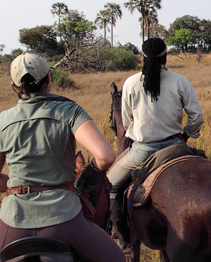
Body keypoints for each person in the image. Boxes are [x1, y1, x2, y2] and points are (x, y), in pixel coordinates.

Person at [0, 53, 125, 261]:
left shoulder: (3, 120)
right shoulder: (69, 110)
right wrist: (90, 171)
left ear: (14, 85)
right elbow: (106, 156)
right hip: (64, 218)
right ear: (48, 79)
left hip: (13, 221)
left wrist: (16, 184)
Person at [107, 38, 204, 251]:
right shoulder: (180, 81)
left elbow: (126, 120)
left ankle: (124, 242)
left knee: (110, 186)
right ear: (165, 55)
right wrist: (186, 135)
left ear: (143, 56)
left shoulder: (131, 83)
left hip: (142, 152)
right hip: (176, 148)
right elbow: (197, 116)